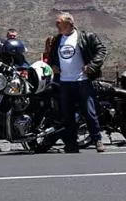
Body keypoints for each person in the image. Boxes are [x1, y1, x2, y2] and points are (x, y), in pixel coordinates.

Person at [46, 13, 108, 153]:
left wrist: (92, 66)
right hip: (64, 82)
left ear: (69, 24)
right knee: (68, 115)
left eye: (59, 23)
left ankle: (97, 139)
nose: (56, 26)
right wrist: (53, 65)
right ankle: (71, 143)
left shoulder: (86, 37)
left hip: (82, 81)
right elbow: (52, 57)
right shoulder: (57, 40)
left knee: (89, 112)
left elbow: (102, 50)